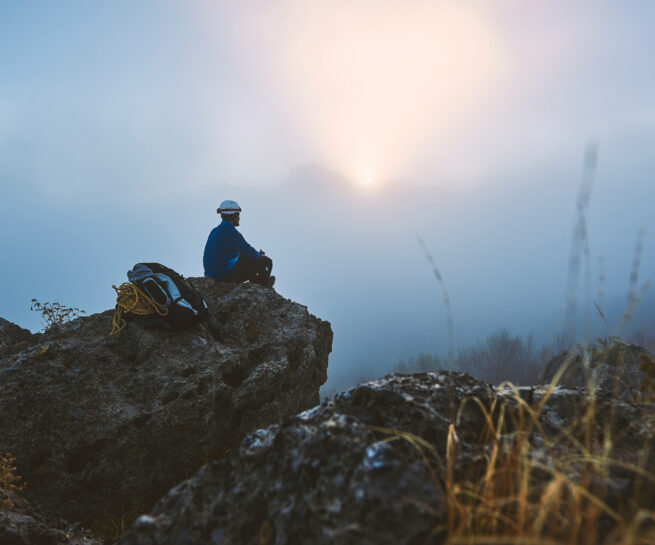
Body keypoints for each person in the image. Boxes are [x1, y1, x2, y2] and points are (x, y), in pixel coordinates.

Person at [203, 200, 275, 288]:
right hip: (222, 276)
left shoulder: (216, 230)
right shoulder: (230, 232)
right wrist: (260, 256)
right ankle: (263, 287)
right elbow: (247, 250)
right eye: (238, 215)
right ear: (234, 216)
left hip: (214, 273)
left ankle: (256, 283)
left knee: (245, 259)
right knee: (266, 261)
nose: (239, 218)